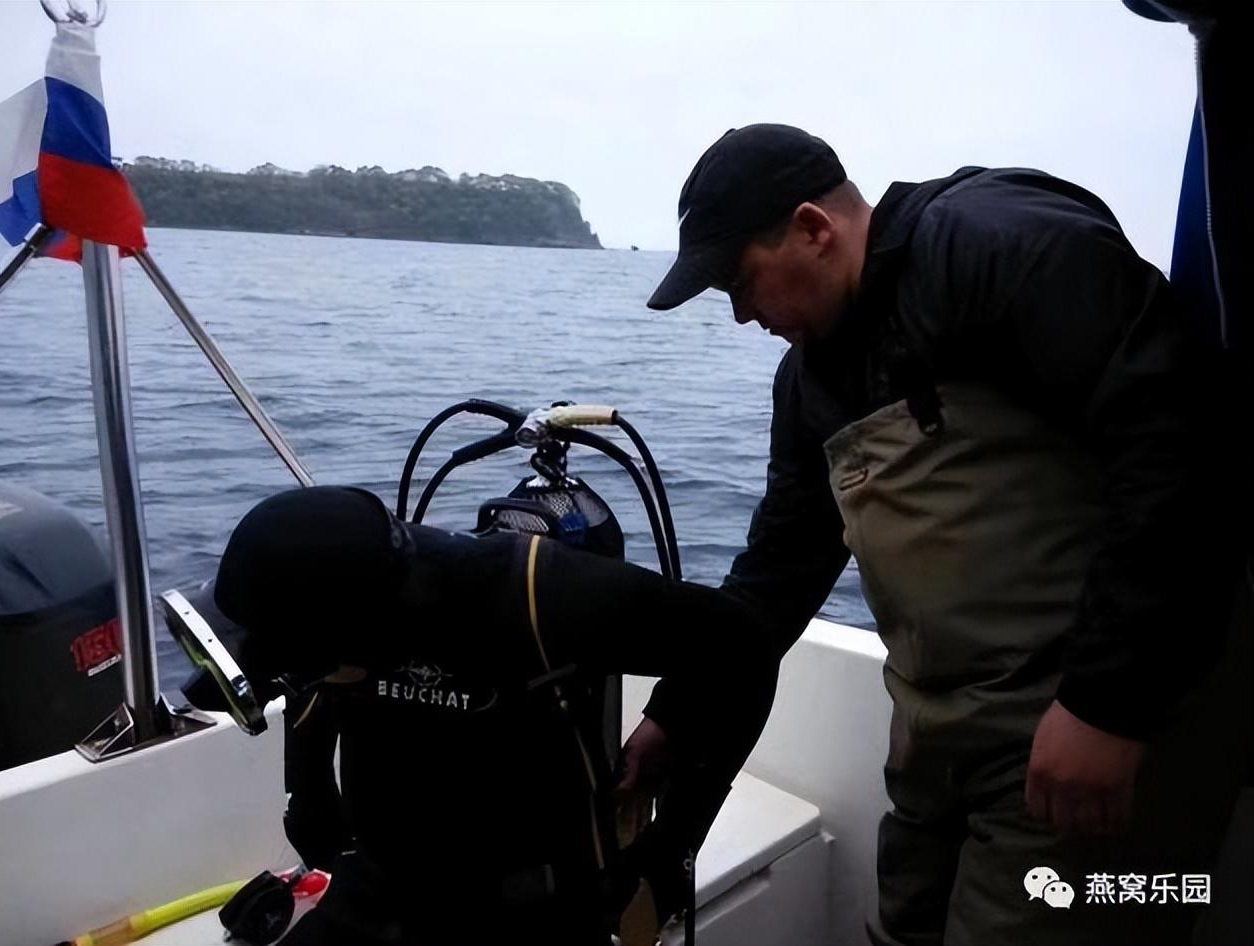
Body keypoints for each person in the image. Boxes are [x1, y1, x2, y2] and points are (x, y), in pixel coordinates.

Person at [634, 123, 1247, 946]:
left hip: (1097, 713)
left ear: (815, 228)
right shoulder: (810, 380)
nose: (745, 317)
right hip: (943, 740)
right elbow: (777, 573)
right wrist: (678, 712)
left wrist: (1108, 705)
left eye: (742, 283)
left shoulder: (997, 245)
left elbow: (1182, 447)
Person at [205, 484, 777, 946]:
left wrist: (669, 846)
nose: (306, 682)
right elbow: (308, 736)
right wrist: (315, 825)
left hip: (535, 912)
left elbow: (745, 649)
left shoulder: (536, 595)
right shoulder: (331, 616)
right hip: (379, 891)